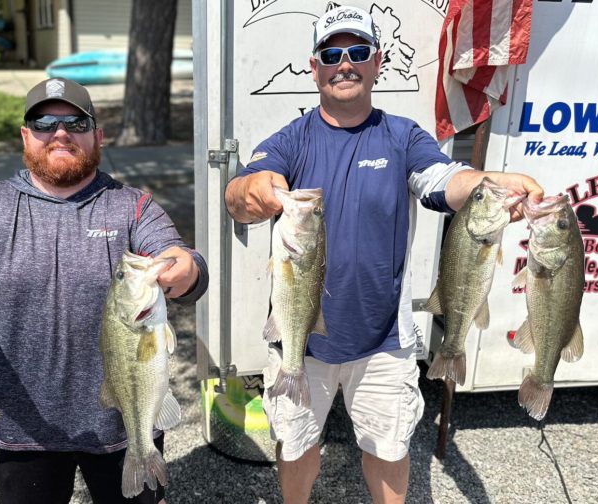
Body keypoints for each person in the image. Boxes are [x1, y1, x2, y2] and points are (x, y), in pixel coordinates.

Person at [224, 6, 542, 504]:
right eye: (332, 53)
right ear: (315, 67)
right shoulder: (294, 137)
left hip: (384, 340)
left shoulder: (403, 137)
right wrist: (253, 190)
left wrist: (490, 186)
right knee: (296, 444)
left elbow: (445, 182)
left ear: (378, 62)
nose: (344, 63)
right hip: (298, 337)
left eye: (357, 52)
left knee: (390, 449)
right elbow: (239, 194)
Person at [0, 77, 208, 504]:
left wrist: (186, 268)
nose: (60, 133)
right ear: (25, 135)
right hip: (24, 430)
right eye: (44, 122)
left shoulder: (133, 206)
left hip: (120, 423)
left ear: (98, 135)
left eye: (75, 122)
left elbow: (181, 259)